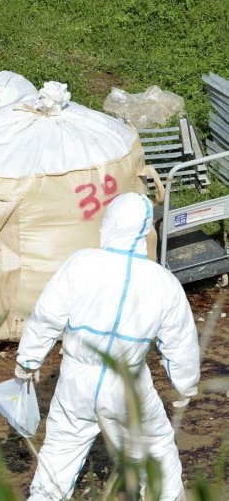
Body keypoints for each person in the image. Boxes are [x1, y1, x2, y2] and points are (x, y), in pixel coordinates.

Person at [15, 192, 200, 500]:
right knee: (155, 450)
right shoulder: (163, 282)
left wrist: (27, 361)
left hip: (76, 379)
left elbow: (46, 316)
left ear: (108, 225)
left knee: (60, 452)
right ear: (145, 233)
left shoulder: (81, 263)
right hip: (127, 382)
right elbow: (181, 342)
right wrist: (186, 385)